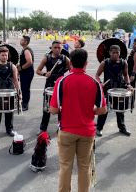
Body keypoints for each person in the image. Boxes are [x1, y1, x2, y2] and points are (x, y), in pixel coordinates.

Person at [49, 48, 107, 192]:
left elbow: (53, 110)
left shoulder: (61, 81)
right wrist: (90, 110)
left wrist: (65, 108)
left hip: (67, 131)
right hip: (87, 132)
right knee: (84, 167)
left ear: (71, 64)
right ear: (86, 63)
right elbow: (102, 110)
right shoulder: (94, 82)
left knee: (65, 167)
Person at [95, 45, 133, 137]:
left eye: (117, 53)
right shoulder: (105, 63)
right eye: (113, 53)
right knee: (104, 110)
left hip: (119, 88)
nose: (115, 54)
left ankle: (122, 128)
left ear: (119, 53)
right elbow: (97, 75)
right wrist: (100, 83)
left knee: (120, 110)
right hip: (107, 89)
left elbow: (126, 75)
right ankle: (99, 128)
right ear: (110, 53)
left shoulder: (124, 63)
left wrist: (128, 84)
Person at [36, 40, 70, 134]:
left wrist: (67, 78)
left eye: (59, 48)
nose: (57, 49)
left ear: (61, 48)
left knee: (61, 108)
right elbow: (38, 70)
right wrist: (44, 74)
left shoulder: (65, 58)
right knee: (46, 107)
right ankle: (43, 129)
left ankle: (61, 127)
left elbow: (72, 70)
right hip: (49, 84)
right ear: (51, 48)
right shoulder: (46, 58)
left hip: (61, 84)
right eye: (55, 47)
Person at [0, 46, 22, 137]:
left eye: (6, 55)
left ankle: (9, 129)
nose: (4, 57)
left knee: (9, 112)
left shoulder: (12, 66)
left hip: (9, 92)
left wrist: (19, 92)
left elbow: (15, 80)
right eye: (2, 55)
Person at [17, 35, 34, 111]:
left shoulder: (26, 50)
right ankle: (24, 102)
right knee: (24, 88)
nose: (20, 41)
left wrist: (21, 68)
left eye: (22, 40)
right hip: (26, 72)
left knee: (25, 88)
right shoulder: (24, 49)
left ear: (25, 42)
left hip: (27, 72)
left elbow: (30, 62)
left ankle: (25, 105)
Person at [127, 38, 136, 109]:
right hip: (130, 71)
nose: (134, 45)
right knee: (130, 86)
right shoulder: (133, 51)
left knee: (131, 87)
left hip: (133, 72)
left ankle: (132, 103)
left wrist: (133, 75)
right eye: (134, 43)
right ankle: (130, 102)